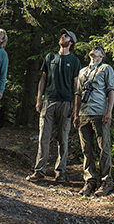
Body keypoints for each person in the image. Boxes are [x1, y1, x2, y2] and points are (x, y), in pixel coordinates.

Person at [26, 29, 81, 183]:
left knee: (63, 138)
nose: (62, 36)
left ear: (71, 42)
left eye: (66, 35)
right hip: (49, 101)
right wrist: (39, 99)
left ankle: (60, 172)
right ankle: (39, 171)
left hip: (66, 103)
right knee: (44, 136)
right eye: (62, 34)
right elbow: (43, 79)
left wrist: (75, 108)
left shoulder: (75, 61)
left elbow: (76, 84)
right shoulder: (50, 57)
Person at [73, 46, 114, 197]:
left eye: (98, 49)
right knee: (86, 148)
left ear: (102, 55)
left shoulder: (106, 68)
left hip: (99, 112)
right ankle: (89, 181)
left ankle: (106, 181)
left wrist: (108, 111)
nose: (94, 50)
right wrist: (76, 113)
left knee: (103, 147)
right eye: (93, 49)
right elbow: (78, 93)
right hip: (84, 113)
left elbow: (111, 90)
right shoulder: (82, 71)